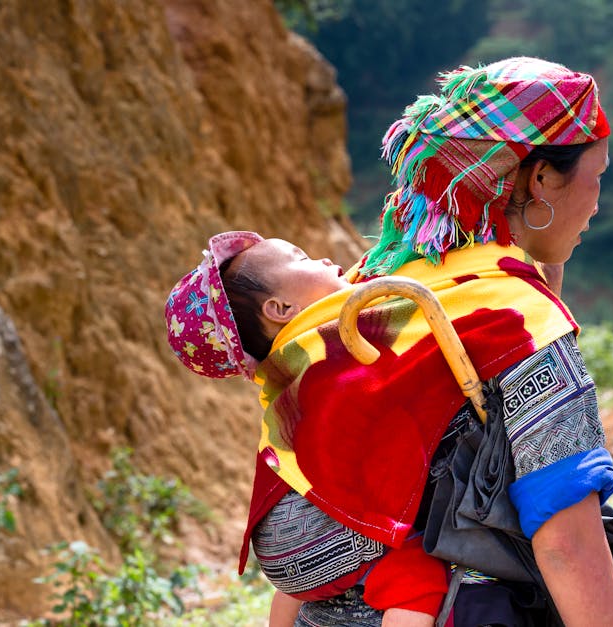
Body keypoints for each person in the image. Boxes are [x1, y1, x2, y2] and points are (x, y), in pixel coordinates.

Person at [219, 56, 613, 626]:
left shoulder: (374, 282)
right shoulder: (512, 322)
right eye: (599, 173)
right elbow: (567, 543)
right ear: (539, 179)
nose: (598, 197)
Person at [165, 232, 448, 627]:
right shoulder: (343, 337)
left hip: (278, 547)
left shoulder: (289, 364)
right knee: (417, 575)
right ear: (281, 308)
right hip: (321, 537)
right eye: (303, 259)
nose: (324, 260)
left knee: (299, 579)